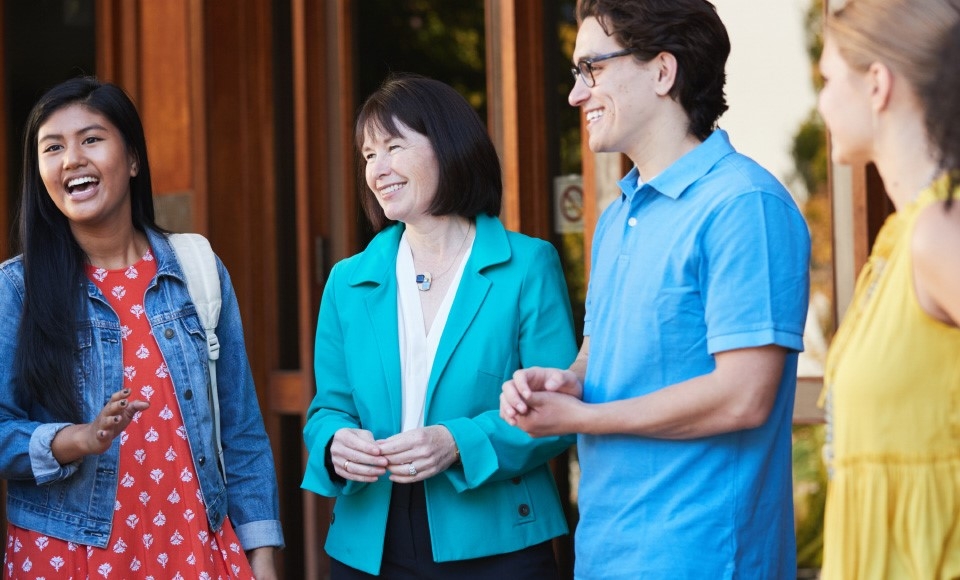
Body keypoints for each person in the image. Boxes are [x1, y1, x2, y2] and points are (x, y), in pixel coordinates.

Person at [500, 1, 811, 577]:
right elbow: (605, 358)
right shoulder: (618, 215)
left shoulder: (745, 205)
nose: (576, 94)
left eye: (591, 69)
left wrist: (579, 419)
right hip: (606, 550)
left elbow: (744, 396)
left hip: (705, 556)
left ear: (663, 72)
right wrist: (568, 381)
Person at [0, 77, 283, 578]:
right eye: (53, 147)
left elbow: (240, 432)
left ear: (132, 160)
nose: (71, 159)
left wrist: (261, 558)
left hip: (196, 549)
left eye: (91, 139)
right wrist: (76, 439)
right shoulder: (15, 290)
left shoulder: (196, 267)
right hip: (69, 556)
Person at [301, 73, 577, 579]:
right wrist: (335, 440)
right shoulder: (347, 281)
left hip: (498, 542)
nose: (377, 169)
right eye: (367, 155)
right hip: (369, 544)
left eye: (393, 147)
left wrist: (457, 442)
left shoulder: (528, 265)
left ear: (447, 146)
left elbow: (559, 409)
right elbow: (328, 408)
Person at [815, 0, 960, 577]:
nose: (822, 101)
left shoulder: (938, 234)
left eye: (828, 80)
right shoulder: (900, 236)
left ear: (877, 84)